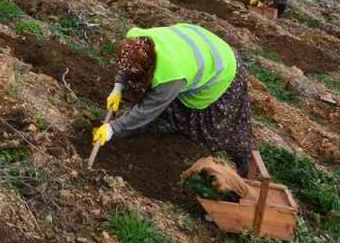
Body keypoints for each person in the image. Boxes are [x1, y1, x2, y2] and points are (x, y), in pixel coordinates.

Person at [93, 24, 253, 175]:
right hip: (198, 44)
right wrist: (118, 86)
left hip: (222, 67)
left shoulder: (171, 75)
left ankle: (241, 161)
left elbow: (149, 108)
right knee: (159, 98)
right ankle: (138, 126)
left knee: (213, 129)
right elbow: (128, 66)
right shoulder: (138, 41)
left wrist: (113, 128)